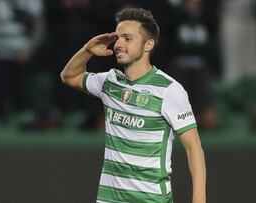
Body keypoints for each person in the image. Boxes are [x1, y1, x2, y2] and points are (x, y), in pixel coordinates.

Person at [60, 7, 206, 203]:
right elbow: (69, 76)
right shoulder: (109, 82)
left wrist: (199, 199)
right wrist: (87, 50)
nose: (118, 44)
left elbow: (193, 148)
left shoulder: (169, 90)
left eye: (127, 38)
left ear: (148, 45)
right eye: (117, 38)